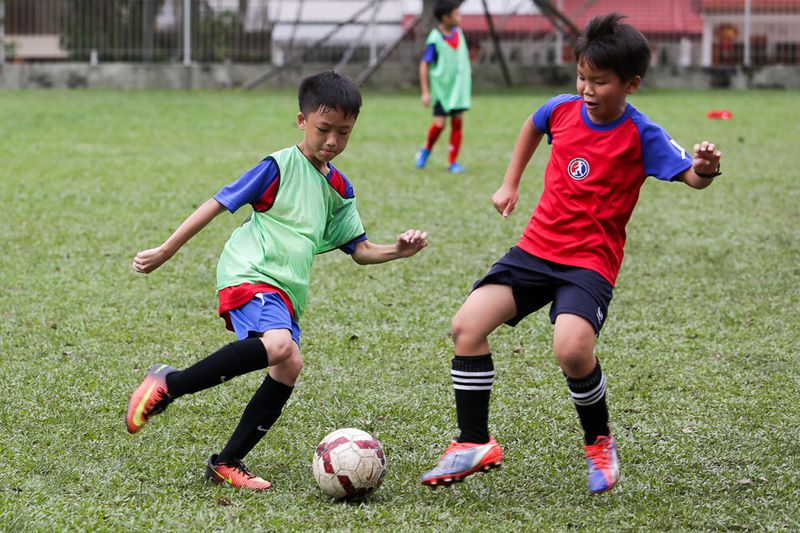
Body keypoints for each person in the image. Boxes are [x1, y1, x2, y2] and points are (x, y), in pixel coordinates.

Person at [420, 13, 722, 494]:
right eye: (582, 76)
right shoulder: (561, 110)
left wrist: (705, 168)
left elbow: (690, 176)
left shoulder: (641, 134)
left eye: (599, 81)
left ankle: (599, 442)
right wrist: (510, 182)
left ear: (632, 84)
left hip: (588, 263)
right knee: (466, 327)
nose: (586, 88)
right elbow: (533, 124)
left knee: (573, 349)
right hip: (535, 250)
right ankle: (473, 441)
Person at [125, 71, 428, 491]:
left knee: (289, 364)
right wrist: (165, 250)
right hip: (251, 271)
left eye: (344, 132)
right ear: (302, 121)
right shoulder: (278, 167)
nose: (333, 142)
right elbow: (217, 203)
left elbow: (358, 249)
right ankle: (168, 383)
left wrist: (397, 250)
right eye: (324, 129)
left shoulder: (338, 188)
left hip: (285, 289)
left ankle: (227, 460)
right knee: (280, 346)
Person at [414, 0, 471, 174]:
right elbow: (424, 65)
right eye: (456, 14)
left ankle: (453, 161)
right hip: (441, 91)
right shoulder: (435, 38)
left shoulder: (459, 34)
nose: (460, 17)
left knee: (457, 123)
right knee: (440, 124)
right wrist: (425, 92)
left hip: (458, 90)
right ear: (446, 18)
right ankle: (425, 150)